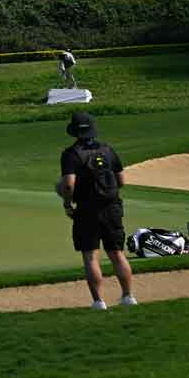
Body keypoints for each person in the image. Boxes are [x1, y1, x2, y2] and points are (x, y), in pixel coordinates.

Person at [57, 111, 135, 310]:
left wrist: (67, 204)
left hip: (87, 210)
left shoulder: (71, 154)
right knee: (117, 254)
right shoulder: (108, 150)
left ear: (74, 132)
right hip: (112, 207)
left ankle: (99, 301)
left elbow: (68, 185)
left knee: (91, 256)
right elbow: (122, 181)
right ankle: (128, 296)